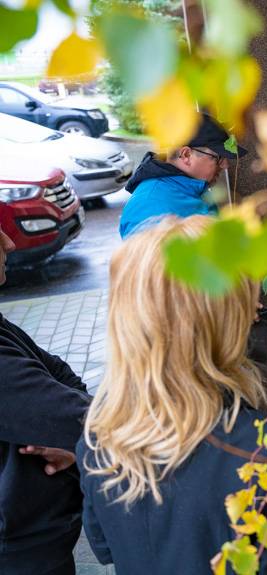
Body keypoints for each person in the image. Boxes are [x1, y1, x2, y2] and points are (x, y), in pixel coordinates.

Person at [77, 216, 267, 573]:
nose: (255, 315)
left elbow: (105, 548)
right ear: (218, 323)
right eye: (247, 305)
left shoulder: (100, 439)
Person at [0, 224, 92, 575]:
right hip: (19, 552)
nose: (9, 243)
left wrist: (76, 438)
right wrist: (79, 436)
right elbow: (73, 420)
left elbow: (63, 376)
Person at [118, 113, 247, 238]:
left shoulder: (194, 186)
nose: (225, 165)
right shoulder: (147, 208)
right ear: (186, 155)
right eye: (218, 158)